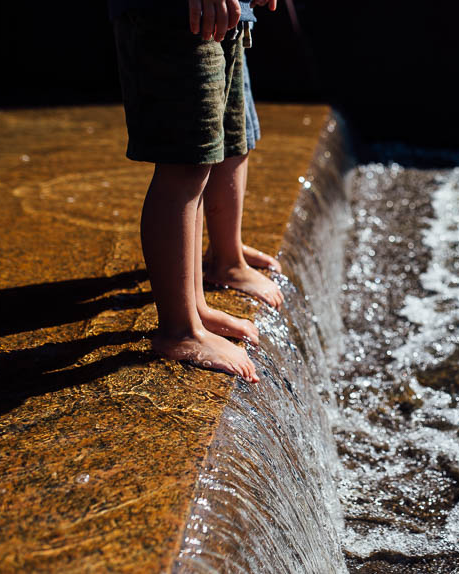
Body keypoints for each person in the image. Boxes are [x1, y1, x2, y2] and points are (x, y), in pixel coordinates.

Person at [110, 0, 276, 382]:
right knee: (186, 163)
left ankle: (194, 307)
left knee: (212, 151)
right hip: (177, 13)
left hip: (219, 11)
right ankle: (179, 330)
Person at [202, 1, 285, 310]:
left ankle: (226, 249)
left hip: (232, 16)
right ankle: (225, 262)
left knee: (235, 136)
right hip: (199, 18)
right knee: (195, 159)